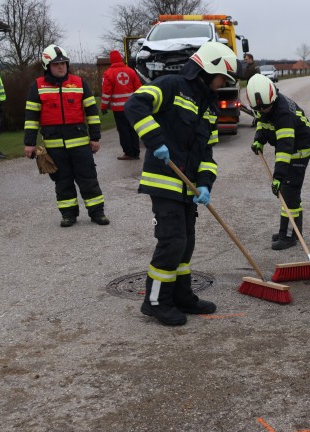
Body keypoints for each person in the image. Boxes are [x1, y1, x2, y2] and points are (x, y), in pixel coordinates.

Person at [124, 41, 237, 326]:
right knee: (172, 241)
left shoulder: (208, 106)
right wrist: (155, 141)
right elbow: (135, 104)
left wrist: (205, 183)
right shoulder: (171, 85)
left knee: (186, 244)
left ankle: (182, 296)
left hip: (188, 187)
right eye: (223, 77)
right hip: (164, 181)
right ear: (209, 69)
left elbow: (208, 153)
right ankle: (155, 302)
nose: (223, 83)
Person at [24, 44, 110, 228]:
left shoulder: (79, 83)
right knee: (62, 182)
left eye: (63, 63)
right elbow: (31, 118)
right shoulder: (37, 86)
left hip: (80, 144)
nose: (61, 67)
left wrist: (95, 138)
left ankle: (97, 213)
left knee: (88, 178)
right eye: (56, 64)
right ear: (47, 66)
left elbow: (92, 112)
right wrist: (29, 144)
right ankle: (68, 215)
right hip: (55, 146)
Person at [246, 73, 310, 250]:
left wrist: (278, 177)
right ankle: (293, 230)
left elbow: (284, 149)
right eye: (260, 109)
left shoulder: (283, 113)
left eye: (267, 108)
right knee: (291, 193)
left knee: (288, 193)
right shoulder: (262, 107)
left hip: (298, 151)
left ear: (273, 97)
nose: (263, 111)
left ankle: (288, 236)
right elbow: (262, 123)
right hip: (289, 147)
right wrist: (259, 139)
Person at [100, 50, 142, 160]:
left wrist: (103, 107)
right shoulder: (131, 71)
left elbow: (106, 92)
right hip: (132, 107)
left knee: (123, 131)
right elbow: (139, 88)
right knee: (133, 130)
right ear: (121, 59)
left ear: (111, 60)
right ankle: (136, 152)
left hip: (119, 108)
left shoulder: (108, 74)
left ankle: (128, 153)